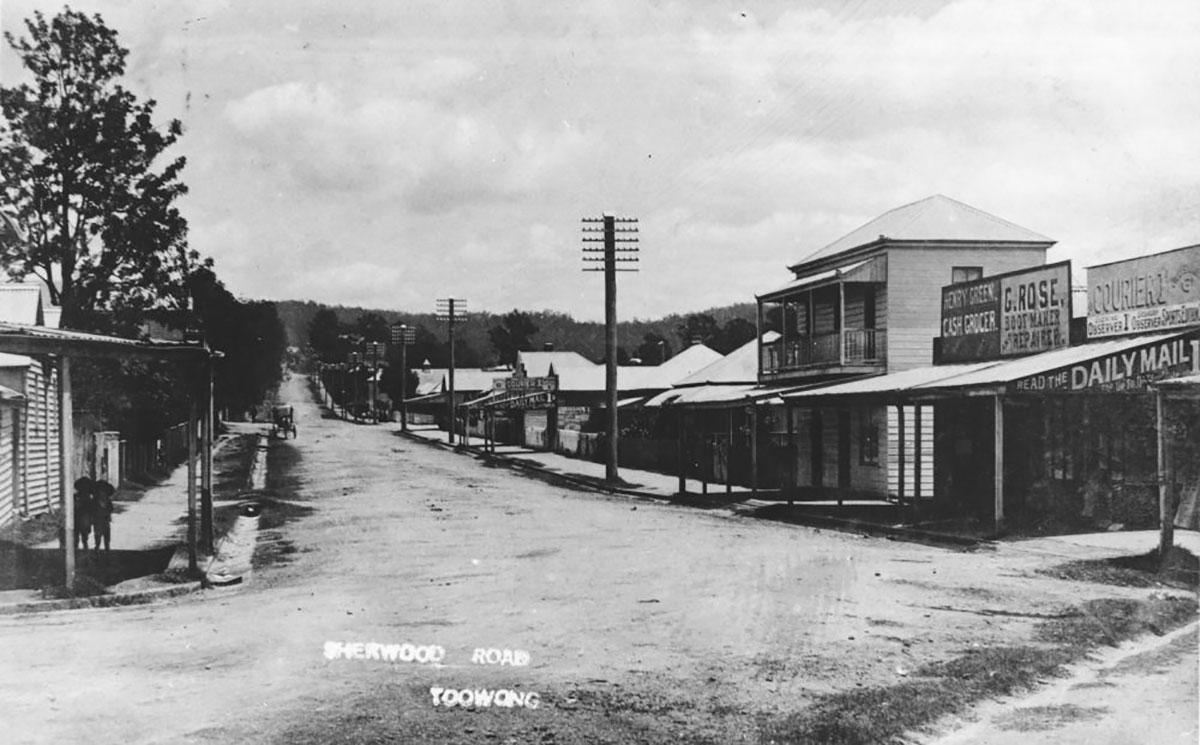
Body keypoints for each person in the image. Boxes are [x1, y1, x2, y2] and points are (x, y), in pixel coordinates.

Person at [92, 480, 115, 551]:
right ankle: (97, 547)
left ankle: (107, 548)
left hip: (105, 521)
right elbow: (92, 510)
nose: (102, 493)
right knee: (97, 536)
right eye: (100, 491)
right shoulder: (95, 501)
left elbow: (111, 509)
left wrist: (108, 514)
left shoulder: (108, 501)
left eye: (104, 492)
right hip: (97, 521)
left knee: (107, 536)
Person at [73, 477, 94, 550]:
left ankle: (84, 547)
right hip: (77, 518)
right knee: (77, 535)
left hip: (84, 518)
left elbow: (91, 509)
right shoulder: (75, 497)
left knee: (84, 536)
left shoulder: (88, 498)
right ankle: (78, 547)